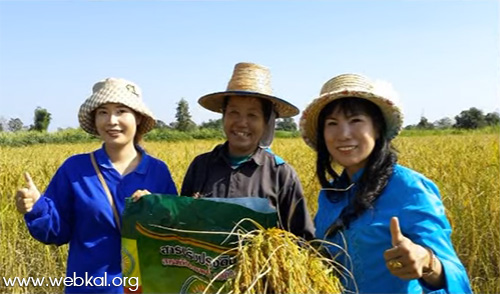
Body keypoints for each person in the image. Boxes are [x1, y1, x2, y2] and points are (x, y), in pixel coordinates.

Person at [299, 73, 472, 293]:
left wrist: (426, 262)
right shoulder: (331, 195)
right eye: (332, 123)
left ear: (377, 128)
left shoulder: (409, 189)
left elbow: (456, 275)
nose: (343, 134)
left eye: (355, 121)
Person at [15, 78, 178, 293]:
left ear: (137, 117)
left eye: (121, 111)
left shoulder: (158, 172)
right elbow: (56, 232)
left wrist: (154, 210)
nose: (112, 120)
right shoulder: (75, 169)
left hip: (145, 287)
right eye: (103, 112)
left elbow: (175, 236)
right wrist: (36, 207)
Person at [181, 62, 314, 240]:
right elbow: (183, 225)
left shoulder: (280, 174)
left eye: (252, 115)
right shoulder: (201, 166)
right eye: (234, 113)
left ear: (266, 123)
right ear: (224, 116)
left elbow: (301, 238)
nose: (242, 123)